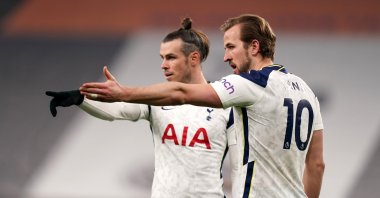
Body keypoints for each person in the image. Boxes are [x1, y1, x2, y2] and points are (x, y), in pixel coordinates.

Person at [80, 14, 325, 198]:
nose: (226, 56)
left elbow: (181, 92)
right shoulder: (306, 91)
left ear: (254, 46)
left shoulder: (251, 84)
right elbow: (316, 165)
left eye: (231, 47)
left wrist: (124, 92)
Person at [46, 18, 238, 198]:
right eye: (162, 58)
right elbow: (119, 110)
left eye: (171, 57)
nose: (163, 65)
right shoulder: (156, 99)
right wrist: (80, 99)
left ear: (194, 59)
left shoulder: (224, 103)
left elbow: (241, 167)